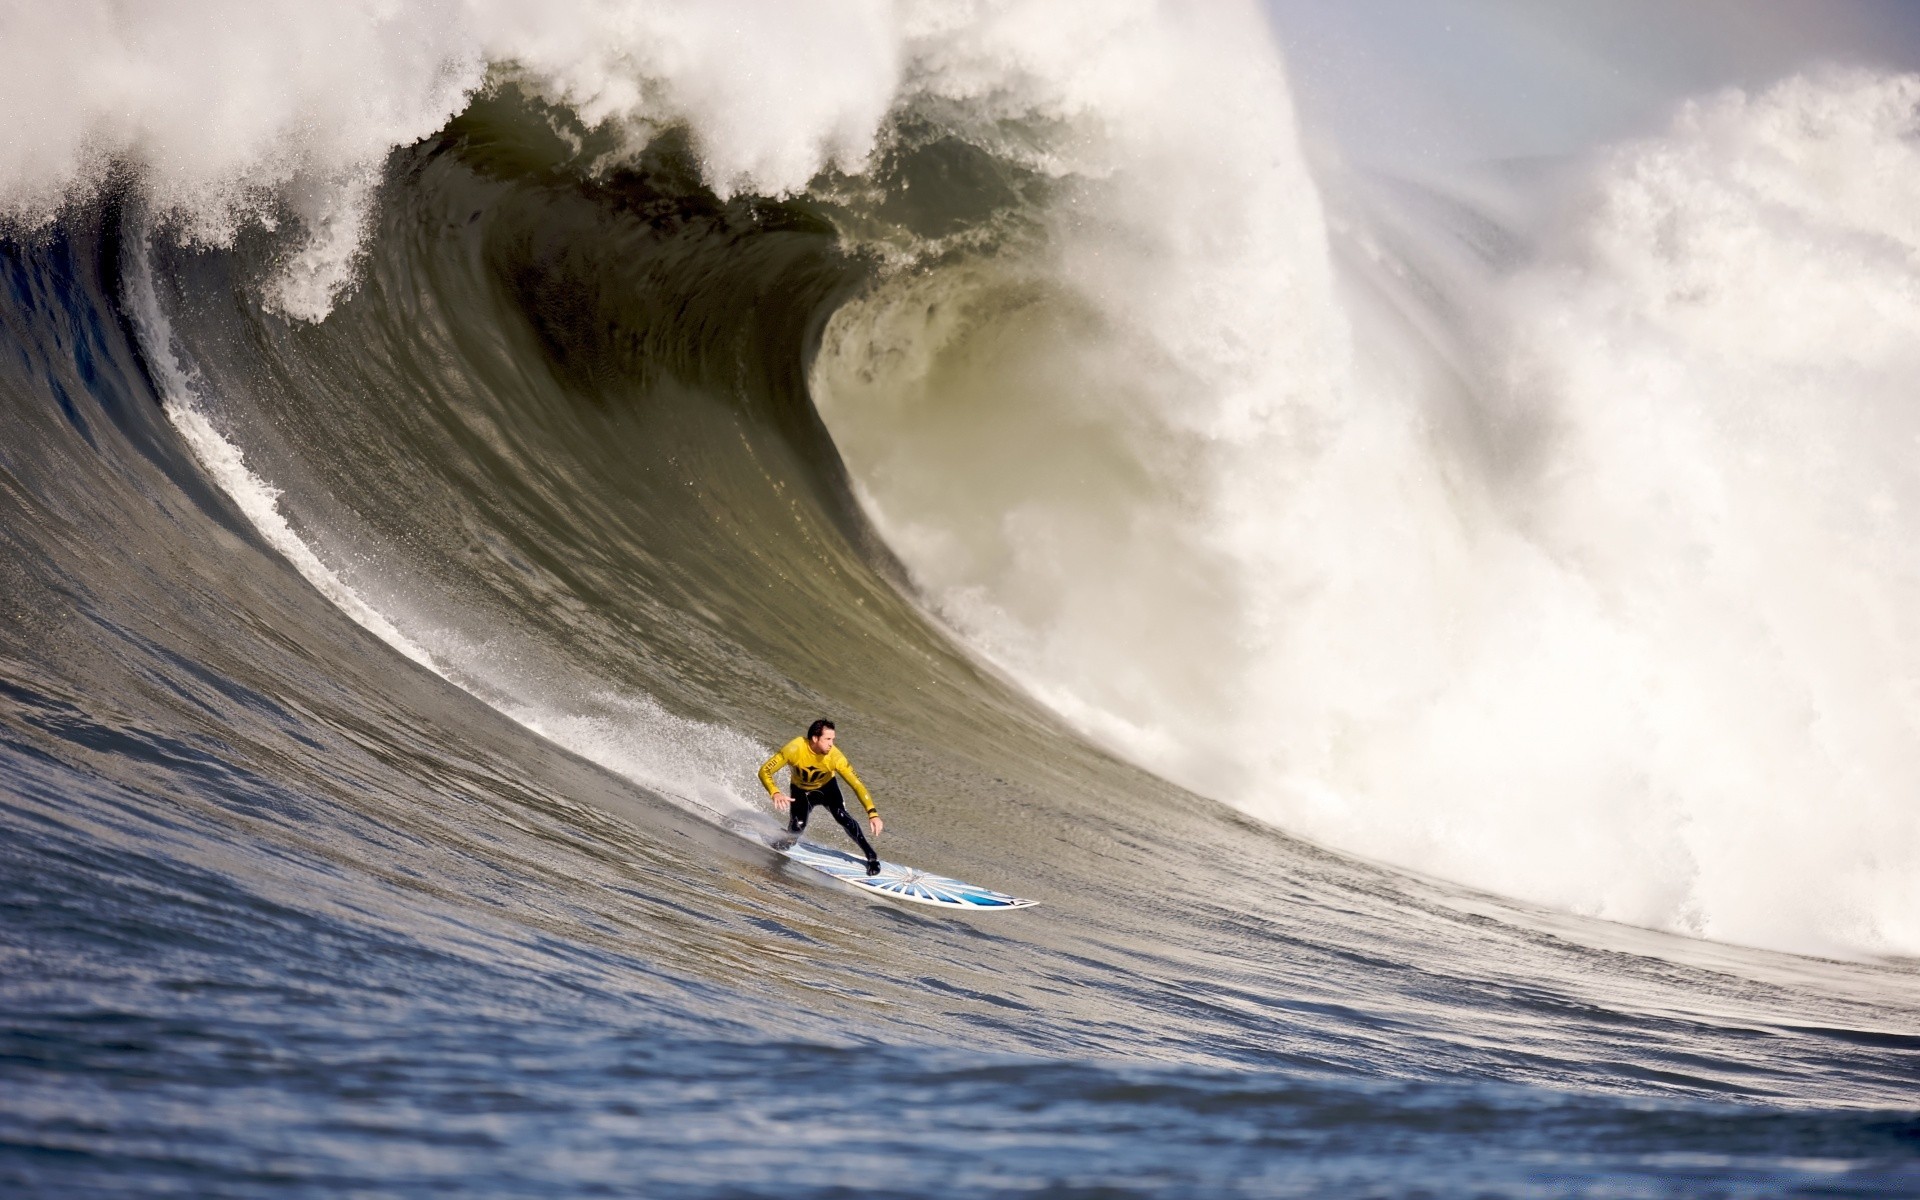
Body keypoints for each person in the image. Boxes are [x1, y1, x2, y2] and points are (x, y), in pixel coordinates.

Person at [758, 718, 884, 875]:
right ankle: (788, 838)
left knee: (842, 816)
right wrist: (775, 792)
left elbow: (857, 784)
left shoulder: (836, 757)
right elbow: (764, 771)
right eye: (828, 739)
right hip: (801, 791)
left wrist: (872, 813)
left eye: (833, 739)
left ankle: (871, 856)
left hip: (827, 789)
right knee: (797, 828)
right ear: (815, 738)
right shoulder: (795, 748)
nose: (832, 744)